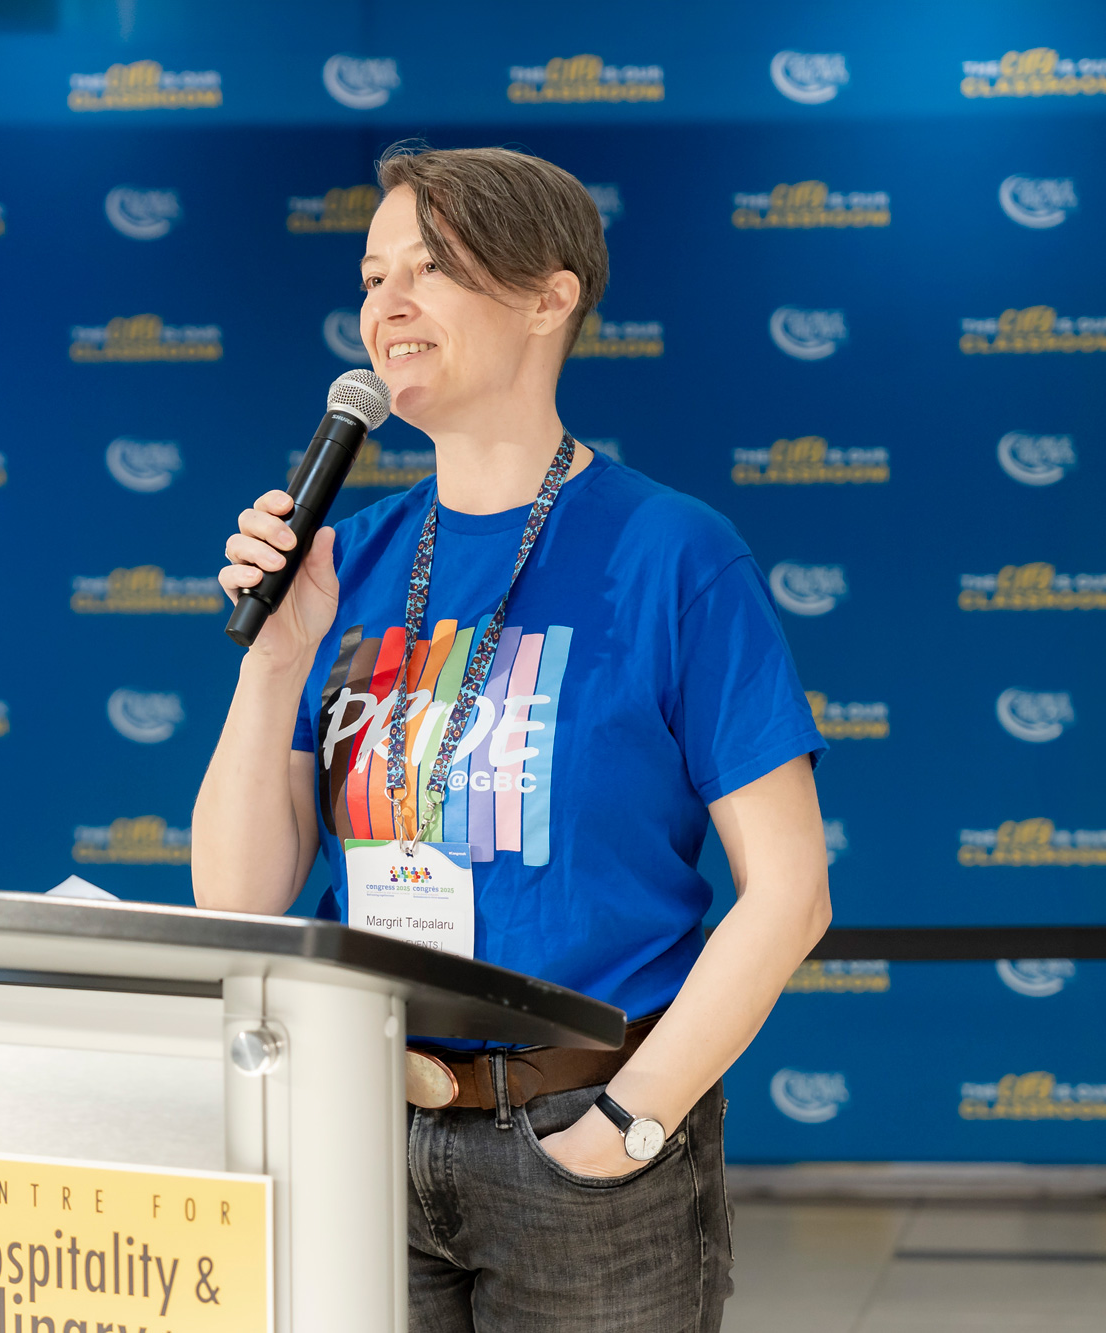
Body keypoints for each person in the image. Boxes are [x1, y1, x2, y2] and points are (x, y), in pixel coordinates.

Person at [191, 145, 832, 1331]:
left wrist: (631, 1118)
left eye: (430, 268)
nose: (387, 303)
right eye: (373, 273)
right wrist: (271, 661)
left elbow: (788, 890)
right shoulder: (351, 558)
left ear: (550, 296)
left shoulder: (671, 555)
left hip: (579, 1149)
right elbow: (241, 896)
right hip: (360, 1130)